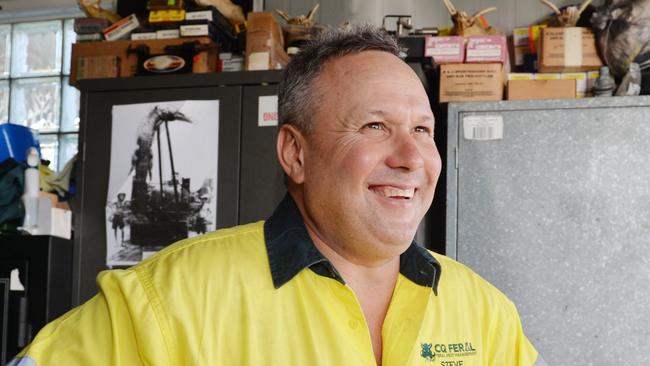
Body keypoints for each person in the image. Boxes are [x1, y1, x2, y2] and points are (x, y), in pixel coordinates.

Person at [10, 25, 546, 365]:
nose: (411, 157)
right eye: (375, 126)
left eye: (423, 131)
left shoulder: (485, 314)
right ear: (295, 153)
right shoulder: (170, 302)